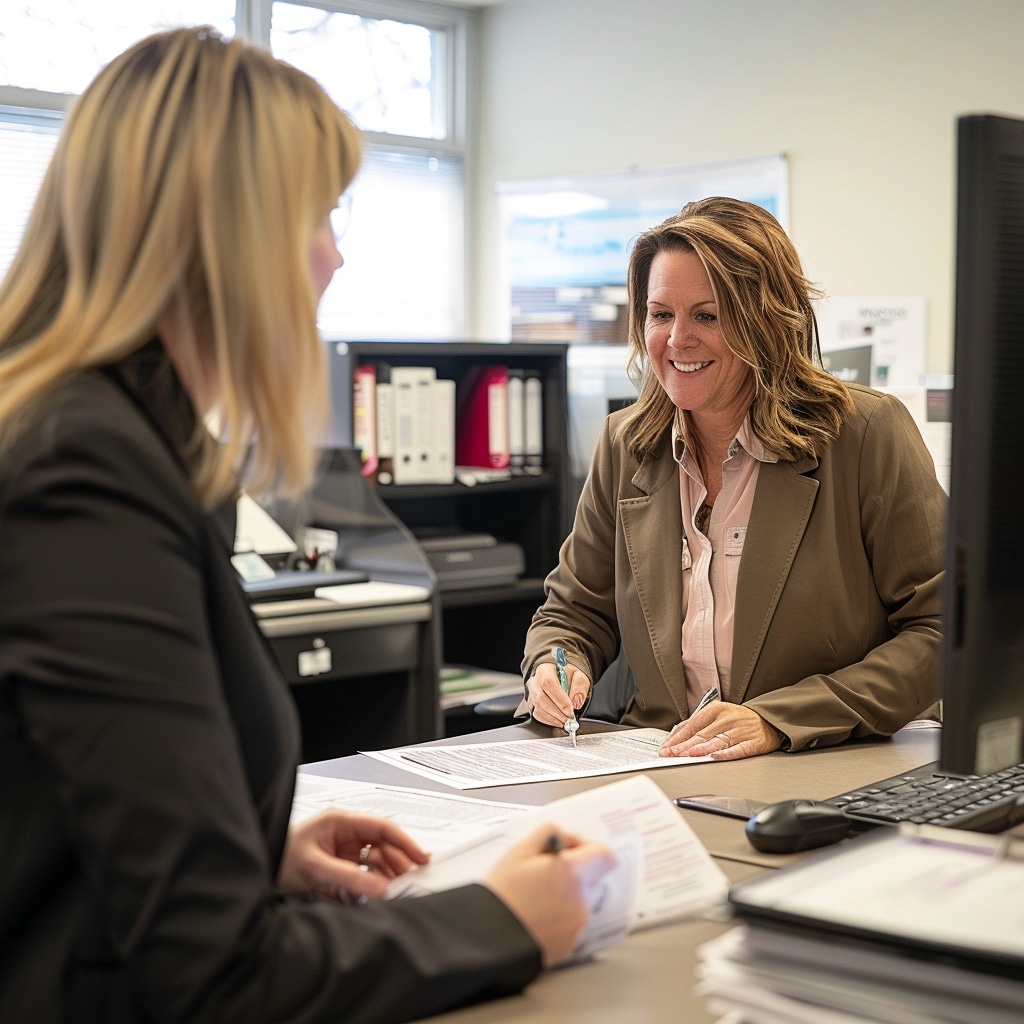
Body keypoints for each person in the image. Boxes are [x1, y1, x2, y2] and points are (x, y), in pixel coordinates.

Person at [0, 27, 616, 1024]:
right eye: (318, 214)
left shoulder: (113, 433)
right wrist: (502, 918)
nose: (336, 251)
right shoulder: (85, 462)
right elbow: (212, 978)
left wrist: (251, 851)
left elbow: (47, 802)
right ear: (222, 231)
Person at [522, 197, 945, 761]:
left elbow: (945, 631)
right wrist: (559, 663)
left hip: (818, 762)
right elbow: (573, 612)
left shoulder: (865, 435)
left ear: (765, 321)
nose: (676, 341)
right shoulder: (626, 446)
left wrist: (778, 718)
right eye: (660, 314)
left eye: (708, 315)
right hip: (657, 765)